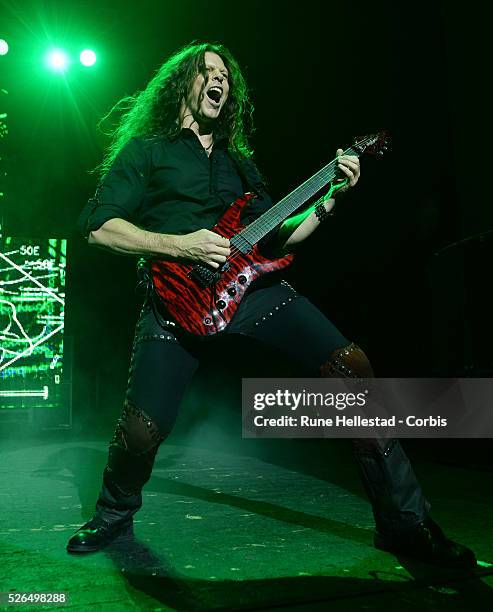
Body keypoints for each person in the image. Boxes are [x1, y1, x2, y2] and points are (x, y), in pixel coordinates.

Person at [67, 42, 476, 569]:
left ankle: (406, 525)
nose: (220, 81)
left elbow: (276, 240)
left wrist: (331, 196)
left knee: (352, 369)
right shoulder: (147, 150)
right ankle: (112, 515)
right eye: (207, 72)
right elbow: (98, 228)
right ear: (181, 85)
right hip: (177, 296)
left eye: (226, 76)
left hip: (252, 292)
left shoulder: (241, 164)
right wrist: (181, 245)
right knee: (143, 428)